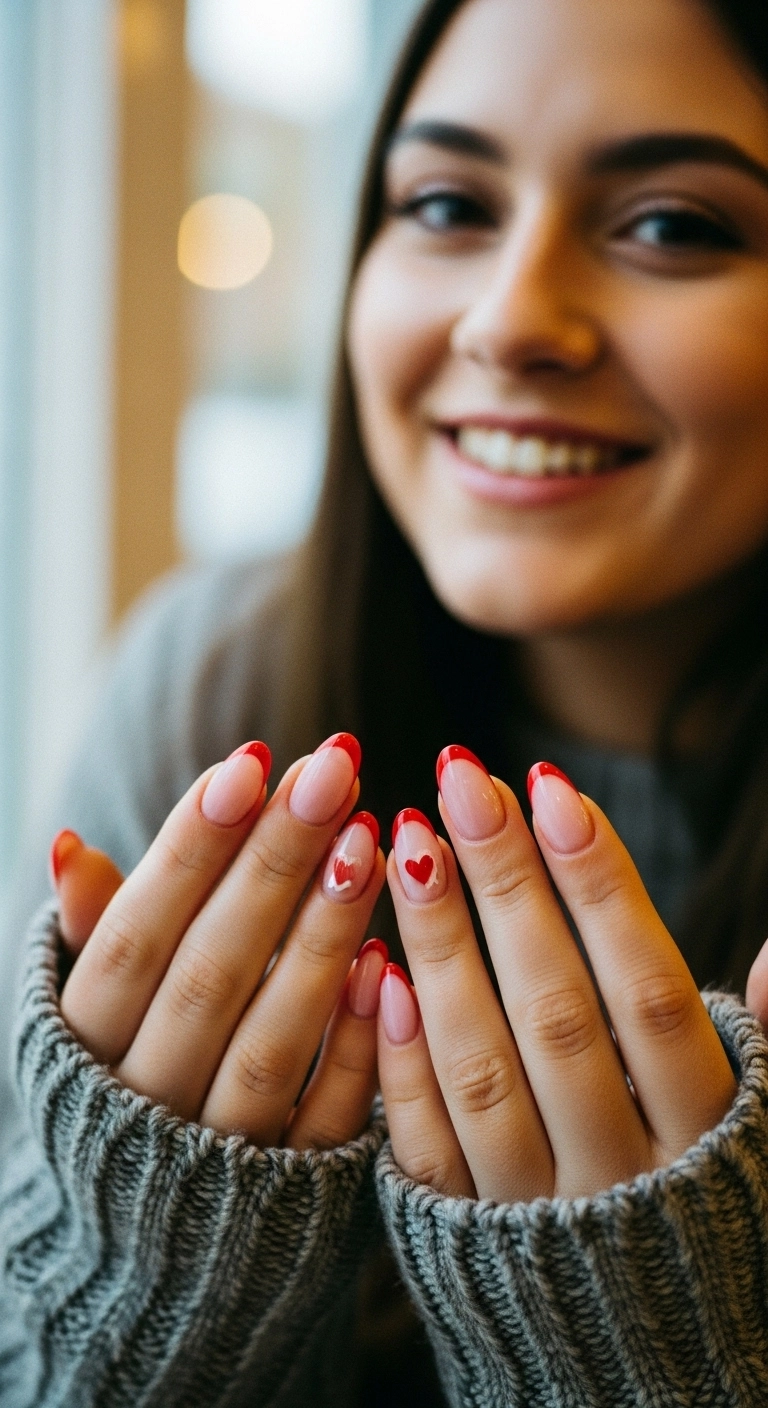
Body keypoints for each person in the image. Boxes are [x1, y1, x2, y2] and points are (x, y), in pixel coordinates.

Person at [3, 0, 768, 1402]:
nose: (512, 320)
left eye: (674, 226)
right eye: (443, 202)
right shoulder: (218, 684)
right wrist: (136, 1291)